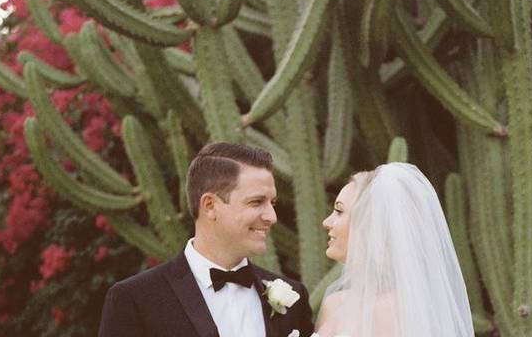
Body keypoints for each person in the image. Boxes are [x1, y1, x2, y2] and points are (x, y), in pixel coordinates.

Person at [99, 142, 314, 337]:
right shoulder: (136, 299)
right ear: (210, 205)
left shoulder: (294, 298)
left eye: (272, 203)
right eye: (257, 202)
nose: (272, 217)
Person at [316, 163, 475, 337]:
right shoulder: (333, 304)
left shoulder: (409, 311)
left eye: (339, 211)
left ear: (369, 226)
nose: (326, 222)